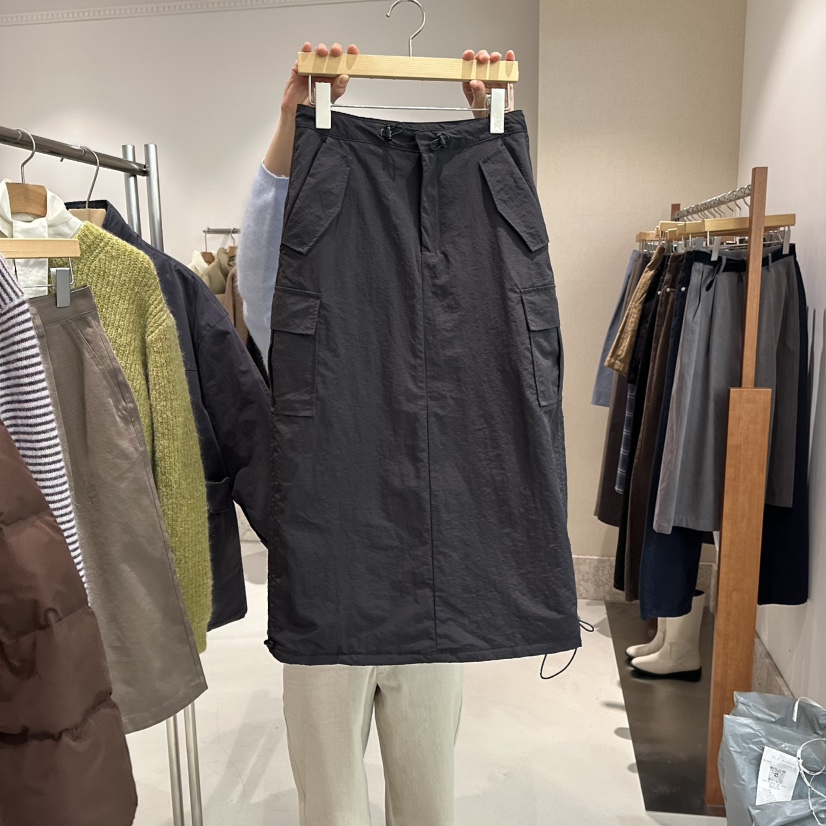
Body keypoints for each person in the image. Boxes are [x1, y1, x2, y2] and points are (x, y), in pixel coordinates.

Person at [238, 42, 516, 826]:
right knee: (332, 806)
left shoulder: (455, 333)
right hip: (330, 580)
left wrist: (489, 130)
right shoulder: (308, 325)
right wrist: (293, 123)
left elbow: (505, 277)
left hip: (432, 578)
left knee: (428, 802)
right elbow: (264, 281)